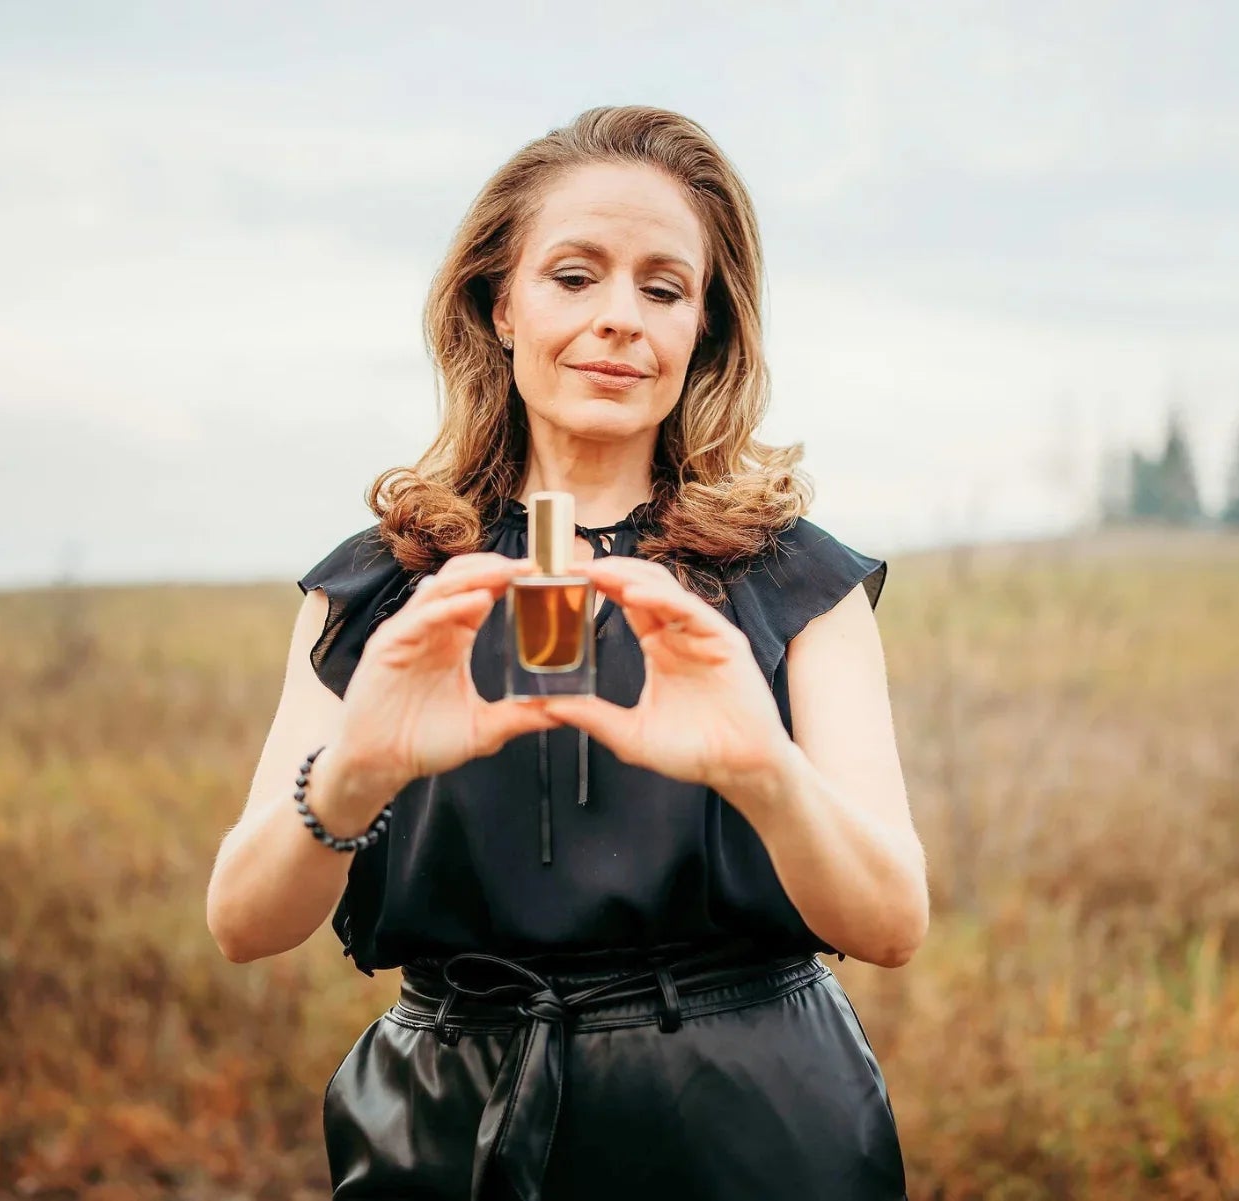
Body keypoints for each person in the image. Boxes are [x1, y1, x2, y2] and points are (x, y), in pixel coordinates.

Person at [206, 104, 929, 1200]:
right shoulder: (382, 583)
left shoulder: (792, 580)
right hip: (451, 1131)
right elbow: (242, 922)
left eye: (663, 287)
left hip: (754, 1130)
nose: (620, 320)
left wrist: (760, 771)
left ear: (705, 331)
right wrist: (356, 771)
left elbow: (890, 922)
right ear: (500, 303)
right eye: (575, 276)